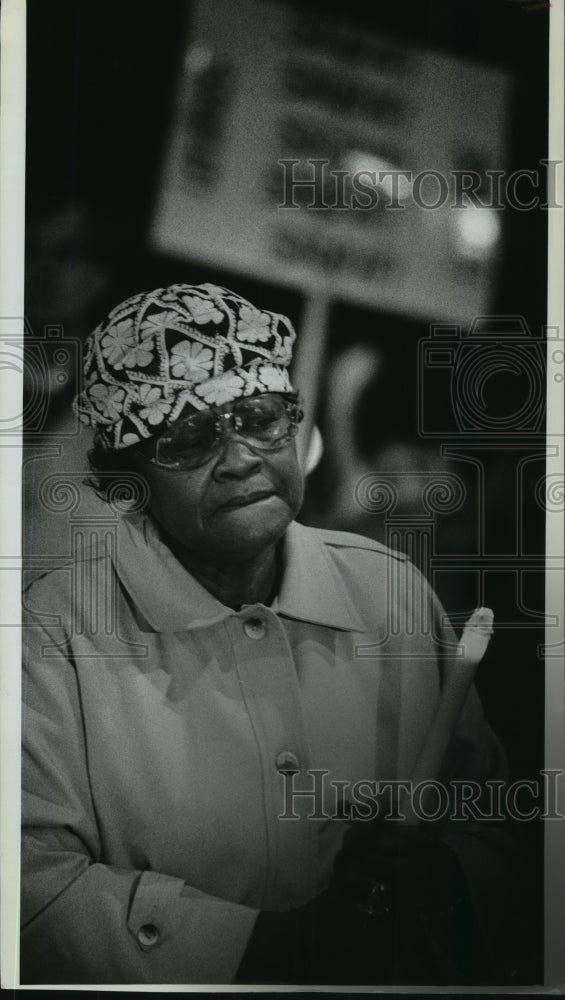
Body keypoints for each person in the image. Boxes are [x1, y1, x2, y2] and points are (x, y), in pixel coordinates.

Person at [21, 282, 526, 986]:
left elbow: (497, 821)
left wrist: (442, 876)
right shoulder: (50, 640)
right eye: (187, 438)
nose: (238, 459)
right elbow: (27, 890)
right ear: (125, 483)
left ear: (297, 427)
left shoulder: (389, 592)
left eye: (259, 417)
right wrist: (271, 946)